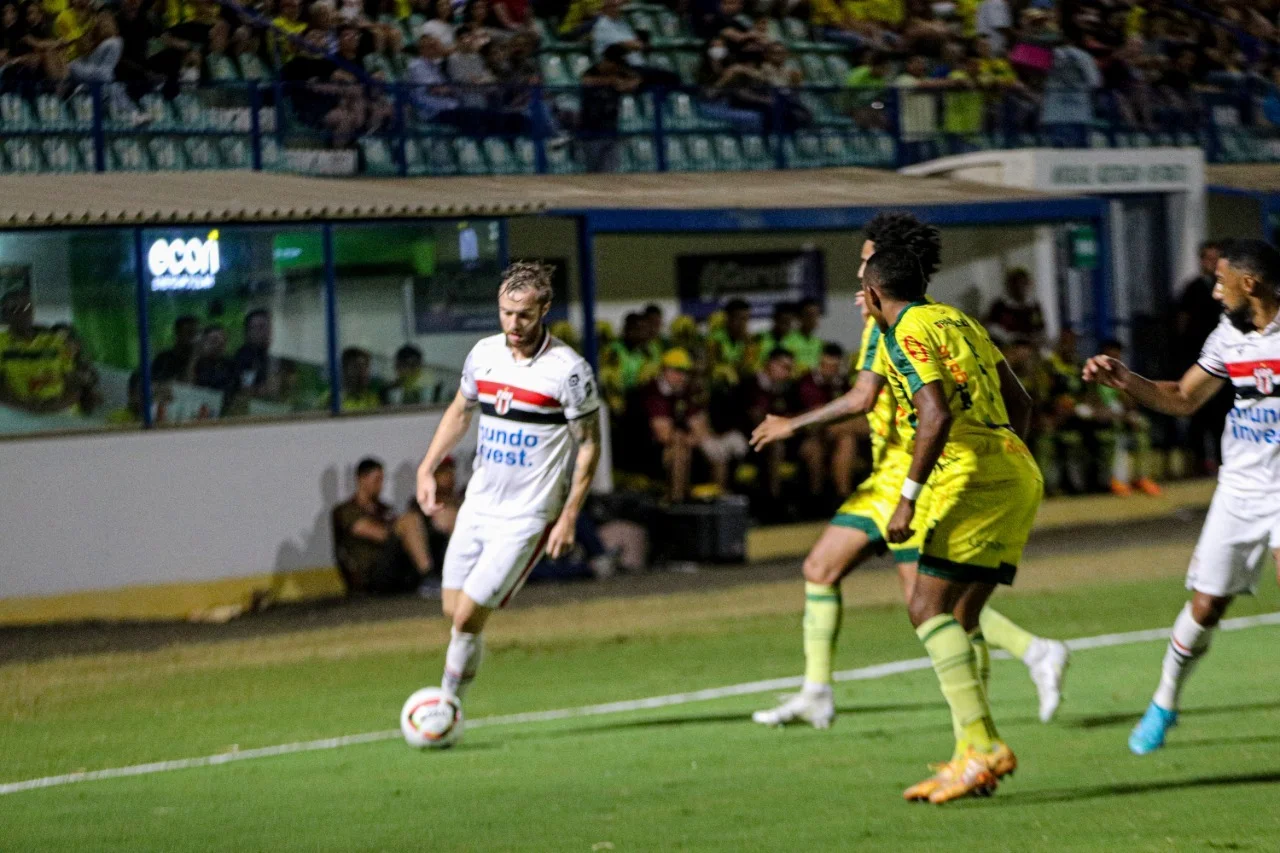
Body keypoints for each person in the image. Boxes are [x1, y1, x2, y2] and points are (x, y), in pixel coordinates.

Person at [748, 214, 1066, 778]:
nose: (856, 273)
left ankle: (984, 737)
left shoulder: (901, 329)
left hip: (934, 477)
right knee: (884, 588)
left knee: (929, 606)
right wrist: (1001, 450)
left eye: (865, 262)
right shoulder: (957, 319)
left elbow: (896, 405)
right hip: (977, 471)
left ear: (879, 281)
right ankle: (969, 744)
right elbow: (1019, 403)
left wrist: (798, 429)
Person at [1083, 239, 1280, 756]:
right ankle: (1165, 700)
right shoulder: (1229, 335)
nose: (1215, 291)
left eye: (1222, 280)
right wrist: (1125, 379)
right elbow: (1184, 397)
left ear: (1250, 284)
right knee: (1206, 604)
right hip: (1239, 488)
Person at [414, 262, 601, 710]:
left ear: (545, 310)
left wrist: (569, 515)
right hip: (478, 506)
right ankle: (464, 668)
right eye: (505, 313)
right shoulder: (484, 355)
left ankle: (447, 708)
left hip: (528, 516)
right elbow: (460, 411)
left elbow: (590, 446)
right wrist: (427, 466)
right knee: (453, 611)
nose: (513, 324)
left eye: (524, 315)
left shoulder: (568, 372)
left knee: (465, 617)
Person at [332, 458, 435, 595]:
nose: (380, 485)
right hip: (368, 574)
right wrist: (404, 530)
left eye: (382, 480)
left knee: (427, 530)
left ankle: (437, 578)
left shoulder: (384, 509)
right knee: (410, 521)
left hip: (391, 568)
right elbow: (377, 533)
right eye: (376, 480)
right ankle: (428, 576)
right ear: (361, 479)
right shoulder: (346, 510)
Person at [0, 288, 79, 414]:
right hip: (18, 413)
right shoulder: (1, 344)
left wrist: (55, 405)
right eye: (14, 309)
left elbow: (73, 382)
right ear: (4, 314)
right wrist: (29, 407)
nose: (22, 313)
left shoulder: (57, 342)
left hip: (62, 411)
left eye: (27, 307)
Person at [795, 342, 857, 500]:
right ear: (820, 362)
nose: (830, 370)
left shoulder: (842, 383)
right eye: (826, 365)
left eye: (834, 367)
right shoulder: (807, 382)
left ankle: (842, 497)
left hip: (833, 435)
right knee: (815, 450)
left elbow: (854, 410)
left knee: (846, 439)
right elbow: (814, 416)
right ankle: (817, 499)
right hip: (805, 437)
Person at [985, 268, 1045, 346]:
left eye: (1024, 284)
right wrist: (1011, 338)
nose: (1020, 288)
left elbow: (1040, 328)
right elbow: (991, 328)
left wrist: (1036, 338)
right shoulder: (1000, 306)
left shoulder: (1033, 306)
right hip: (1007, 347)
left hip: (1031, 346)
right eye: (1016, 284)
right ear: (1009, 286)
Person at [233, 309, 280, 400]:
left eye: (267, 327)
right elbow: (246, 389)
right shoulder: (244, 357)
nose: (264, 332)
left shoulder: (274, 354)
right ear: (248, 332)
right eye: (259, 328)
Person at [152, 315, 200, 383]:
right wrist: (193, 359)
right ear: (178, 334)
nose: (194, 338)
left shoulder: (204, 361)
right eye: (189, 333)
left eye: (196, 333)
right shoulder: (164, 359)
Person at [783, 297, 825, 371]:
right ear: (799, 317)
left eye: (816, 315)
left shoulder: (819, 343)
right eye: (810, 315)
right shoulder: (787, 341)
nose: (813, 319)